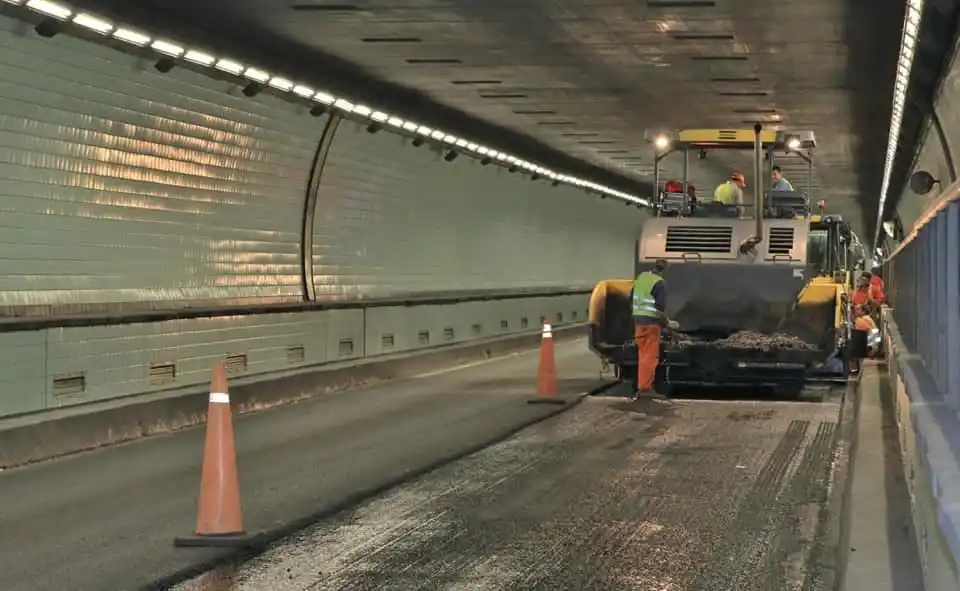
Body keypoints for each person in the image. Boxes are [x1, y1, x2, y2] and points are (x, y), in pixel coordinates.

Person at [631, 259, 679, 401]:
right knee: (650, 357)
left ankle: (642, 385)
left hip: (638, 322)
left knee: (642, 354)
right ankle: (645, 388)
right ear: (665, 270)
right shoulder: (660, 283)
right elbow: (659, 310)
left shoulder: (642, 278)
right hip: (651, 324)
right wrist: (669, 324)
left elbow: (631, 298)